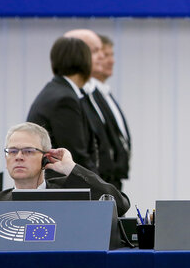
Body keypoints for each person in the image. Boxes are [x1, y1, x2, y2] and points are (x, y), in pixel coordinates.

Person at [0, 122, 130, 216]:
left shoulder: (70, 194)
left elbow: (120, 204)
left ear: (45, 157)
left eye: (28, 151)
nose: (19, 157)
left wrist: (71, 168)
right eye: (12, 151)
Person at [26, 37, 98, 172]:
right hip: (62, 187)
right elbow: (76, 158)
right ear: (85, 62)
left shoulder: (56, 90)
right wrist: (100, 186)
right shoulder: (65, 100)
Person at [64, 29, 124, 189]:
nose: (105, 59)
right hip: (87, 184)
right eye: (96, 52)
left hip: (106, 180)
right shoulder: (71, 97)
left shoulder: (97, 93)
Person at [91, 34, 131, 189]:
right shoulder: (87, 96)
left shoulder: (105, 93)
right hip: (100, 178)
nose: (110, 60)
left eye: (111, 55)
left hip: (113, 178)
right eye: (105, 55)